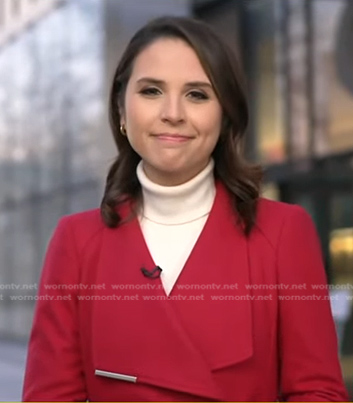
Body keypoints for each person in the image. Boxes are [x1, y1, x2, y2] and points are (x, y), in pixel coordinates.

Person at [22, 16, 349, 402]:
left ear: (224, 115)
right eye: (151, 91)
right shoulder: (76, 242)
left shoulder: (282, 233)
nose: (173, 112)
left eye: (197, 94)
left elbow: (318, 392)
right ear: (122, 112)